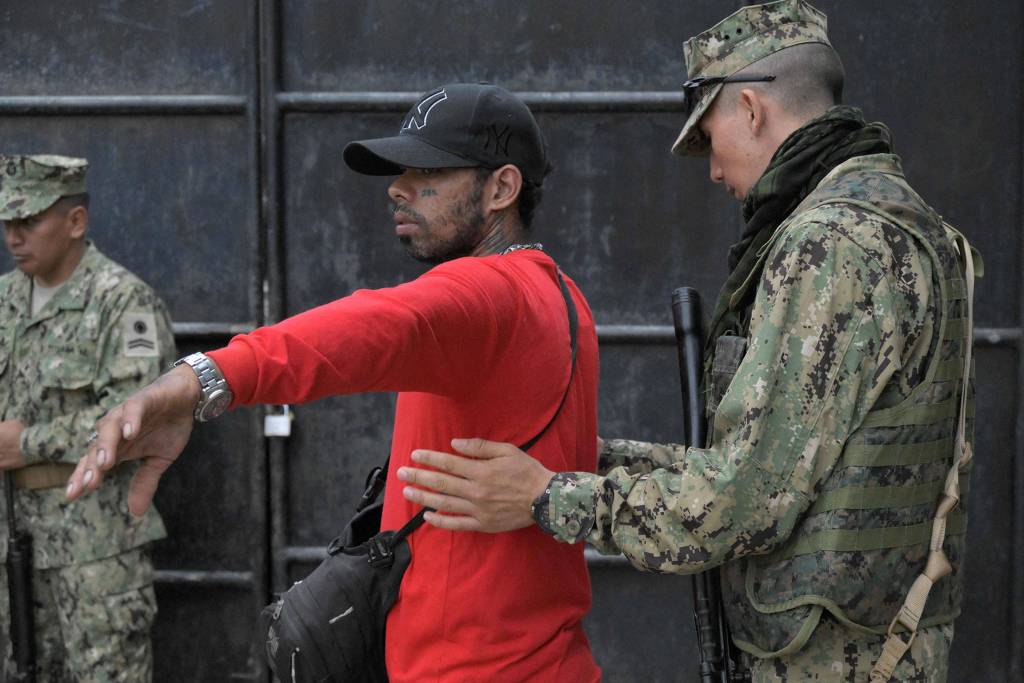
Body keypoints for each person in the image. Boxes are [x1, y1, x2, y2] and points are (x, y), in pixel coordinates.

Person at [394, 3, 978, 682]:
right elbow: (769, 463)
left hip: (833, 663)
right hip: (877, 642)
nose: (711, 170)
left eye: (708, 137)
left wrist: (549, 496)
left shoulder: (832, 244)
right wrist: (580, 455)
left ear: (752, 109)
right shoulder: (906, 221)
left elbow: (742, 502)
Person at [67, 84, 602, 682]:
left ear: (502, 188)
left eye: (427, 171)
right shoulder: (560, 294)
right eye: (399, 170)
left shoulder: (486, 292)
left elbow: (373, 326)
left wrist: (203, 378)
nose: (397, 188)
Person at [0, 155, 174, 682]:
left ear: (75, 222)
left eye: (28, 221)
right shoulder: (4, 300)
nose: (14, 236)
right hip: (13, 540)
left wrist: (29, 443)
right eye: (7, 223)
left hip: (95, 551)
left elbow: (134, 419)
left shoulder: (126, 303)